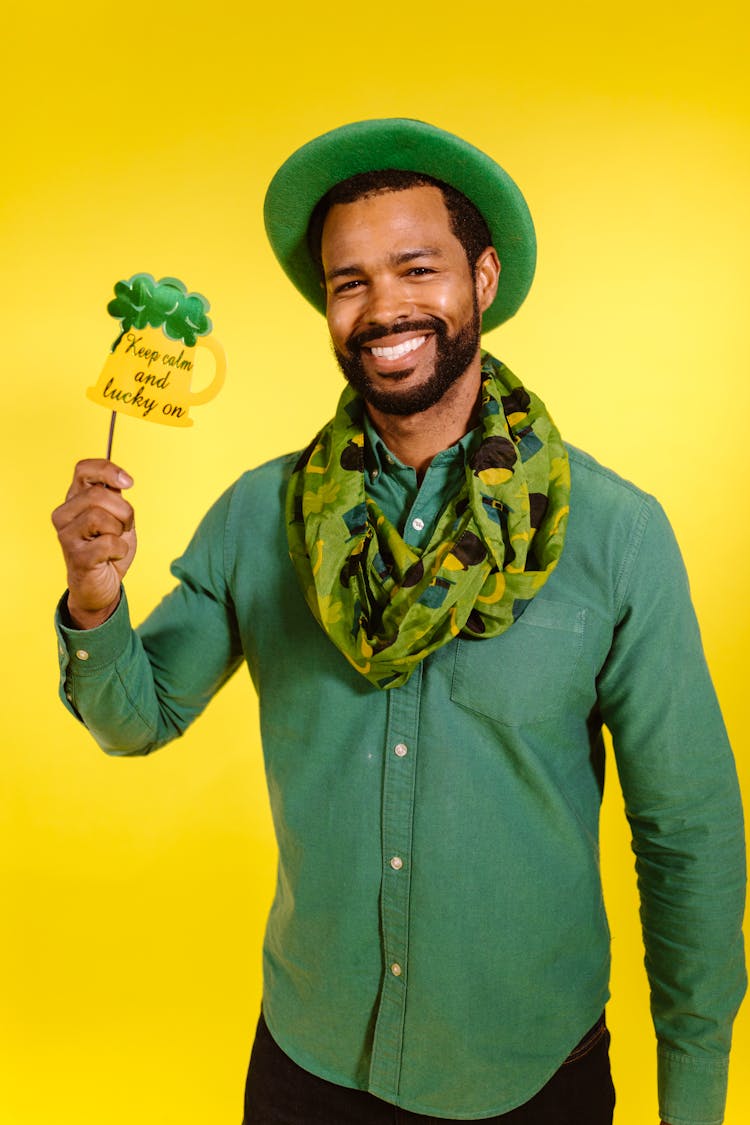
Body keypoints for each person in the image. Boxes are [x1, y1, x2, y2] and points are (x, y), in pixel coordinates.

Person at [52, 119, 745, 1125]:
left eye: (417, 269)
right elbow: (137, 715)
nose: (385, 309)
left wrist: (695, 1096)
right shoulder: (261, 516)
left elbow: (686, 835)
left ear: (484, 278)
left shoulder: (613, 533)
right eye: (350, 283)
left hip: (532, 1071)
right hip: (309, 1063)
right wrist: (94, 602)